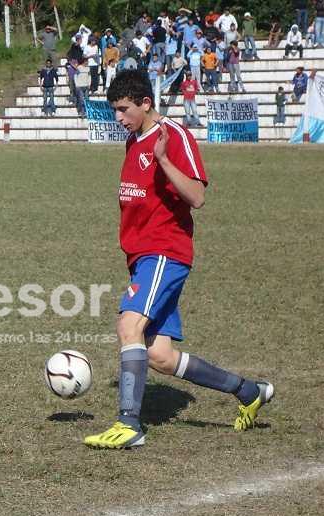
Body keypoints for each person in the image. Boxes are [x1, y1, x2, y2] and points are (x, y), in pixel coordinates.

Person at [84, 69, 274, 449]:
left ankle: (129, 425)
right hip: (142, 257)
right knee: (160, 356)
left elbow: (198, 197)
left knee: (128, 327)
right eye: (115, 110)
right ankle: (248, 391)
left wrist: (164, 161)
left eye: (124, 109)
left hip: (164, 251)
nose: (118, 118)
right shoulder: (134, 140)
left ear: (146, 103)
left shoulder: (174, 136)